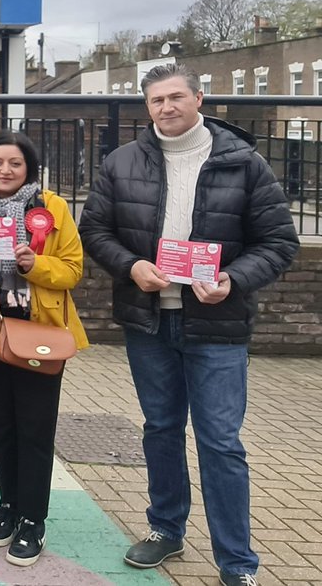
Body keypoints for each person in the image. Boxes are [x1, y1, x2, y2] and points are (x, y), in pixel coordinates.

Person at [80, 63, 299, 586]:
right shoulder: (121, 162)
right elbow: (96, 230)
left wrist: (233, 278)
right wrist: (131, 267)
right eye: (156, 101)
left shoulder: (243, 163)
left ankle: (237, 563)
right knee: (159, 430)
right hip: (149, 323)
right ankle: (165, 530)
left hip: (217, 325)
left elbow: (279, 243)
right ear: (146, 107)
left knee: (221, 441)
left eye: (176, 97)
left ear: (199, 99)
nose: (167, 108)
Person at [0, 130, 88, 569]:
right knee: (0, 427)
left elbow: (73, 270)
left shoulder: (52, 208)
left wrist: (35, 264)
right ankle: (7, 506)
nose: (5, 170)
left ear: (29, 169)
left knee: (35, 430)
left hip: (38, 336)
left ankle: (33, 519)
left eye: (15, 163)